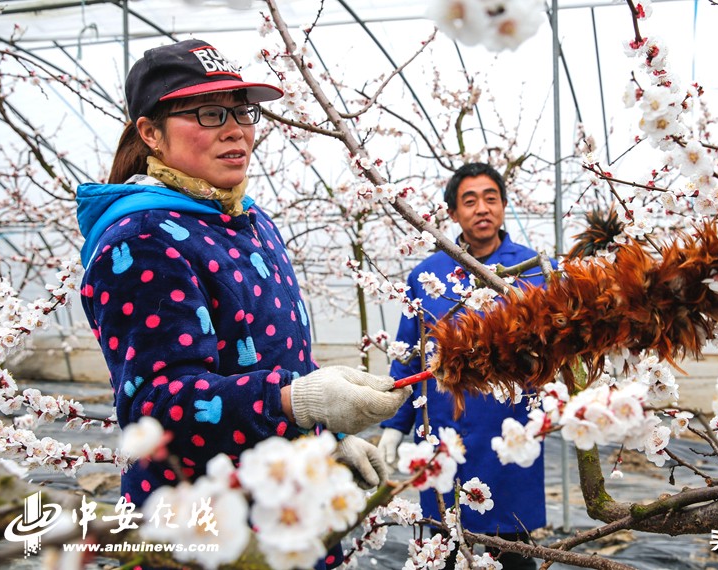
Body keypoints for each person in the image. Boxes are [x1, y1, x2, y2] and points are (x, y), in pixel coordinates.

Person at [75, 39, 410, 569]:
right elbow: (159, 408)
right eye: (209, 113)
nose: (235, 129)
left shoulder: (248, 220)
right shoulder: (142, 240)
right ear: (150, 134)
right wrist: (296, 403)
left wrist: (326, 436)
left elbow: (279, 361)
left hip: (286, 507)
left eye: (243, 111)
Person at [378, 163, 546, 569]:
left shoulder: (534, 271)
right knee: (444, 543)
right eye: (469, 201)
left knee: (512, 548)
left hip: (509, 431)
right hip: (442, 432)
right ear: (452, 213)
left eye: (491, 198)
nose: (482, 208)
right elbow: (408, 359)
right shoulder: (426, 276)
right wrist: (392, 427)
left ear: (504, 206)